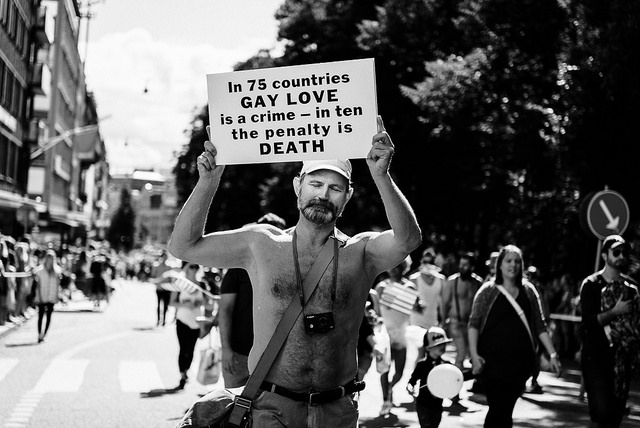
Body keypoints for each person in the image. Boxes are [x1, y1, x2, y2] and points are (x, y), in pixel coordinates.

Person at [168, 116, 422, 427]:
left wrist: (382, 176)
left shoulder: (362, 252)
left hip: (336, 410)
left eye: (335, 188)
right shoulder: (261, 243)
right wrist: (208, 182)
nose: (323, 195)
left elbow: (408, 239)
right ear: (297, 186)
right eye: (315, 184)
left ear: (348, 196)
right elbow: (183, 247)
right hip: (271, 407)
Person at [468, 245, 561, 428]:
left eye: (517, 261)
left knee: (506, 410)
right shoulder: (488, 291)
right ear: (499, 265)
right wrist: (473, 355)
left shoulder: (529, 291)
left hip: (520, 364)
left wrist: (552, 353)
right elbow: (474, 324)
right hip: (491, 362)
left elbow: (539, 324)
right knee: (498, 408)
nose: (513, 265)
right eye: (509, 261)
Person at [218, 213, 286, 389]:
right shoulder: (239, 266)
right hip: (239, 354)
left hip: (276, 357)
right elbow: (225, 310)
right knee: (234, 411)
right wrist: (226, 350)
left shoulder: (288, 268)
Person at [579, 235, 640, 428]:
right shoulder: (591, 284)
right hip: (596, 357)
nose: (621, 256)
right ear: (605, 255)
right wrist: (615, 311)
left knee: (614, 417)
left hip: (622, 361)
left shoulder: (631, 288)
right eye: (616, 252)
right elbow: (588, 322)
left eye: (624, 252)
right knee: (601, 412)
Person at [375, 257, 420, 415]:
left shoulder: (410, 287)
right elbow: (376, 312)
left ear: (403, 267)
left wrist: (418, 305)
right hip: (384, 335)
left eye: (397, 266)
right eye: (391, 266)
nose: (394, 269)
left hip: (402, 334)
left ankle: (390, 390)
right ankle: (385, 401)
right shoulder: (381, 287)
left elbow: (417, 309)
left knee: (400, 371)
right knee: (383, 369)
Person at [407, 326, 471, 428]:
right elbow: (412, 381)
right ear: (428, 348)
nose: (442, 347)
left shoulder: (446, 365)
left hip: (437, 405)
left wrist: (473, 373)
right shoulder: (422, 365)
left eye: (444, 344)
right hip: (423, 405)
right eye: (438, 345)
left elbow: (457, 377)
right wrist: (410, 388)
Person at [442, 252, 482, 371]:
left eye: (465, 265)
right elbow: (445, 303)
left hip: (472, 325)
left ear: (472, 267)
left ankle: (475, 380)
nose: (462, 267)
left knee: (474, 353)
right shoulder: (452, 281)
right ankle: (454, 383)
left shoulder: (478, 283)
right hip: (456, 323)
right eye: (461, 264)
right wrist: (444, 321)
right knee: (461, 351)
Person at [172, 262, 205, 389]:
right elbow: (172, 302)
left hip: (196, 322)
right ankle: (182, 374)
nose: (194, 269)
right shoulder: (180, 284)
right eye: (191, 266)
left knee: (191, 349)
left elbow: (209, 304)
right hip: (182, 321)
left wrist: (202, 303)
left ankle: (187, 370)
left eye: (196, 266)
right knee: (183, 348)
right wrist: (185, 305)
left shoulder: (202, 285)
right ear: (186, 268)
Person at [33, 250, 62, 343]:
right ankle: (39, 334)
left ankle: (44, 334)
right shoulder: (40, 271)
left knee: (49, 316)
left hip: (52, 296)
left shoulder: (57, 271)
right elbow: (37, 285)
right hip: (42, 295)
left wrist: (57, 296)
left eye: (51, 259)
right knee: (40, 315)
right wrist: (38, 296)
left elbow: (58, 284)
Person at [150, 250, 175, 326]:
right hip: (159, 288)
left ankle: (163, 320)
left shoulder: (169, 267)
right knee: (159, 304)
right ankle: (158, 320)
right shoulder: (157, 266)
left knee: (165, 305)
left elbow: (171, 279)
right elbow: (153, 276)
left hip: (167, 289)